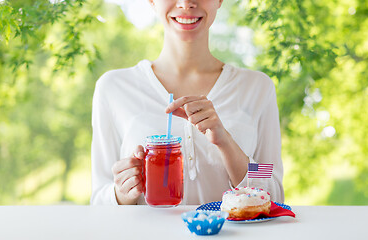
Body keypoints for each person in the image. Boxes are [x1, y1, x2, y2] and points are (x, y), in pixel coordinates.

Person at [90, 0, 284, 205]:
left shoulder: (257, 87)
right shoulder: (113, 88)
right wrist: (122, 192)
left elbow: (274, 188)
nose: (186, 3)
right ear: (152, 2)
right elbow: (99, 199)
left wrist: (226, 142)